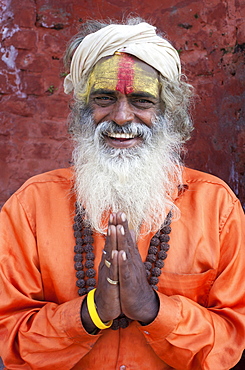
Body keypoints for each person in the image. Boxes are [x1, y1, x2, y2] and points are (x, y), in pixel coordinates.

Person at [0, 18, 244, 370]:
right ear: (82, 108)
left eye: (142, 100)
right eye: (104, 98)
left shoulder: (216, 207)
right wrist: (92, 313)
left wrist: (150, 307)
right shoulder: (31, 207)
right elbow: (11, 339)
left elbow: (231, 341)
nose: (122, 117)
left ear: (167, 111)